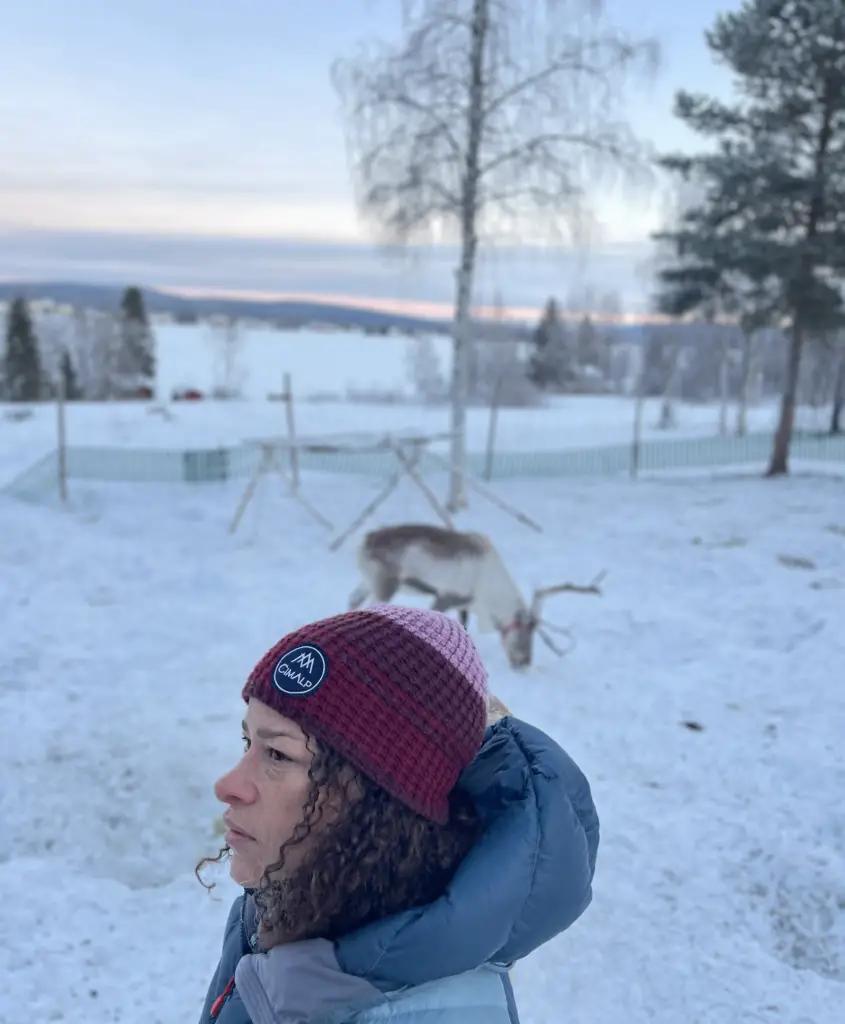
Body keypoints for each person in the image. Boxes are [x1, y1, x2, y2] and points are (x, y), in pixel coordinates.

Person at [197, 603, 599, 1023]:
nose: (227, 786)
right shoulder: (283, 911)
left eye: (278, 753)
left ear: (381, 802)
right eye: (249, 744)